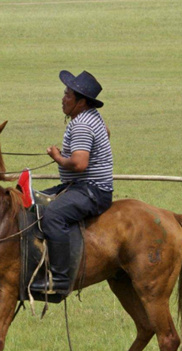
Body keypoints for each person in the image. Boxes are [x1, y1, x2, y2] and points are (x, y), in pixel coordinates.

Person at [32, 70, 113, 294]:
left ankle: (59, 278)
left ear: (81, 101)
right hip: (81, 186)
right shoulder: (91, 117)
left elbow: (79, 164)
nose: (63, 98)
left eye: (68, 94)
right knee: (34, 202)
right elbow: (106, 132)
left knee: (53, 216)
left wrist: (57, 157)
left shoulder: (82, 125)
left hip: (91, 190)